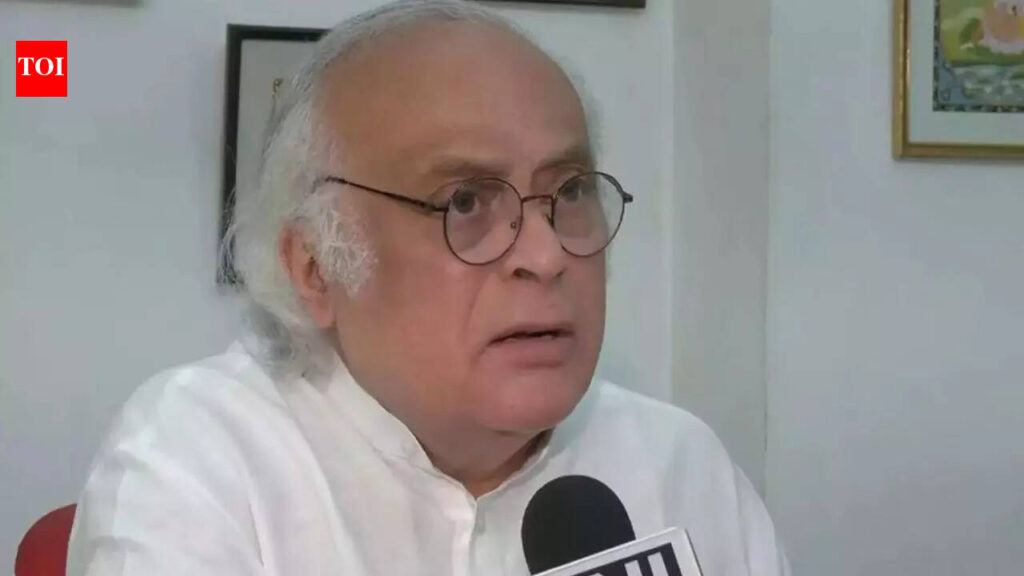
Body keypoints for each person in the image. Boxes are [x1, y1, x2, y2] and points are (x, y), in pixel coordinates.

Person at [67, 1, 789, 574]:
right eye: (465, 202)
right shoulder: (198, 464)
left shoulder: (680, 463)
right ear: (316, 265)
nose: (546, 255)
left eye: (570, 191)